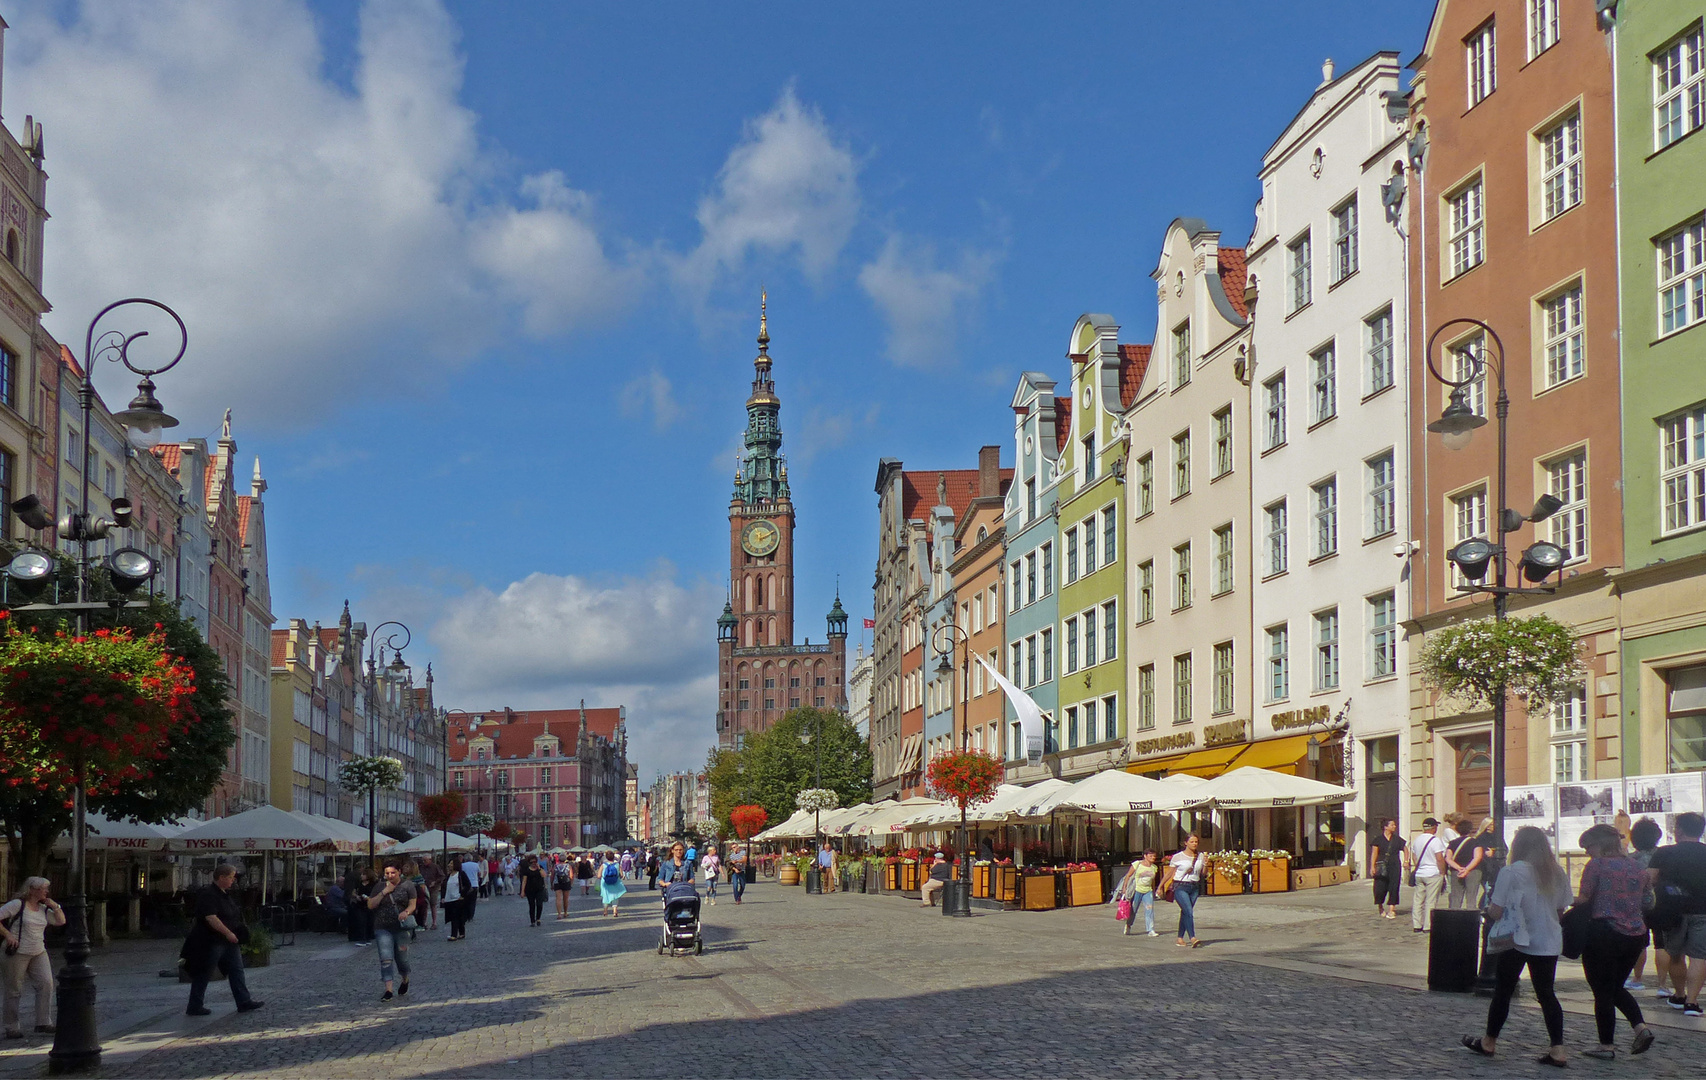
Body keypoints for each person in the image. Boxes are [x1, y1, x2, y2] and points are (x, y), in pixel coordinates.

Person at [1461, 825, 1570, 1066]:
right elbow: (1561, 910)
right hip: (1548, 939)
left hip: (1516, 940)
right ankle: (1558, 1049)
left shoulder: (1511, 872)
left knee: (1503, 991)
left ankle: (1489, 1041)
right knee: (1547, 994)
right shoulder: (1557, 872)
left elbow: (1496, 910)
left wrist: (1490, 912)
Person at [1574, 824, 1656, 1059]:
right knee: (1615, 987)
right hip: (1635, 935)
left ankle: (1606, 1046)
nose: (1588, 853)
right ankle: (1641, 1028)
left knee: (1601, 991)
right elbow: (1649, 902)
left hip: (1604, 933)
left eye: (1588, 847)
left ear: (1599, 844)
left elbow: (1584, 899)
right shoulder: (1638, 866)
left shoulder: (1597, 865)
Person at [183, 864, 263, 1017]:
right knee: (204, 972)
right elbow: (211, 918)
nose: (233, 880)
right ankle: (194, 1005)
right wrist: (228, 933)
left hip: (228, 941)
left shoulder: (224, 894)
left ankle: (244, 1001)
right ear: (221, 877)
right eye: (231, 877)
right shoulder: (208, 894)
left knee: (237, 970)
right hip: (211, 941)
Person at [1647, 809, 1706, 1016]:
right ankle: (1692, 1002)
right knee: (1700, 957)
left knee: (1675, 954)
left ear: (1678, 830)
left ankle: (1679, 995)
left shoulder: (1664, 852)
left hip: (1673, 911)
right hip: (1703, 911)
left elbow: (1650, 879)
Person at [2, 877, 65, 1037]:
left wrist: (55, 906)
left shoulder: (44, 909)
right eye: (43, 888)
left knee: (46, 983)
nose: (46, 891)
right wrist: (8, 935)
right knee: (14, 989)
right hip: (16, 951)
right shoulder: (18, 905)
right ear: (32, 890)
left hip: (38, 951)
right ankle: (12, 1026)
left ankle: (43, 1021)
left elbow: (60, 921)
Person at [1626, 817, 1669, 997]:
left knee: (1640, 943)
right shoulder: (1663, 855)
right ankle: (1662, 984)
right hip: (1661, 903)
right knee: (1661, 943)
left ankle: (1637, 978)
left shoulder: (1630, 859)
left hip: (1637, 905)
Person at [365, 864, 416, 1001]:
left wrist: (406, 912)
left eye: (393, 872)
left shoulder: (408, 885)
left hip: (401, 928)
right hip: (382, 927)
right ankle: (388, 990)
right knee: (386, 958)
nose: (390, 875)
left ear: (399, 872)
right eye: (387, 873)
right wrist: (384, 892)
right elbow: (370, 905)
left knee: (402, 959)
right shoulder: (379, 886)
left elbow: (413, 904)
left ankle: (405, 979)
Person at [1407, 817, 1449, 933]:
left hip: (1420, 873)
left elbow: (1414, 857)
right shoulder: (1435, 841)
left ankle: (1417, 924)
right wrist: (1442, 872)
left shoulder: (1417, 840)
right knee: (1430, 901)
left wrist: (1419, 867)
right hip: (1433, 873)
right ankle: (1428, 926)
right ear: (1433, 827)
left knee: (1418, 900)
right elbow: (1439, 858)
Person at [1166, 834, 1208, 948]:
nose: (1194, 844)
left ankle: (1180, 938)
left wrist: (1206, 864)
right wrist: (1160, 886)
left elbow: (1204, 873)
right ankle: (1192, 937)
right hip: (1181, 886)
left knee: (1185, 913)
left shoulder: (1200, 856)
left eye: (1196, 842)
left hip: (1194, 886)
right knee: (1188, 911)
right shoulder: (1178, 857)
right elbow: (1170, 872)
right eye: (1192, 841)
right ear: (1186, 843)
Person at [1447, 817, 1494, 910]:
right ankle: (1471, 921)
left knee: (1456, 898)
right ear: (1470, 829)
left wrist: (1459, 868)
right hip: (1473, 871)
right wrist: (1467, 869)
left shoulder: (1452, 843)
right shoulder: (1475, 842)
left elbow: (1448, 858)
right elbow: (1477, 857)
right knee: (1471, 899)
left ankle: (1454, 921)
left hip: (1456, 872)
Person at [1111, 851, 1159, 937]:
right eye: (1151, 856)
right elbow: (1128, 876)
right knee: (1133, 909)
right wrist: (1124, 888)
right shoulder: (1137, 864)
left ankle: (1150, 929)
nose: (1153, 858)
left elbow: (1152, 881)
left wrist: (1155, 890)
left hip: (1148, 891)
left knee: (1149, 910)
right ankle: (1128, 925)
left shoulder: (1154, 867)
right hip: (1137, 890)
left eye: (1154, 856)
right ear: (1145, 856)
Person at [1369, 818, 1405, 920]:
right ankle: (1380, 906)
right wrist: (1372, 866)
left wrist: (1406, 860)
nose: (1394, 826)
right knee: (1379, 888)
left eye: (1394, 825)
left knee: (1394, 887)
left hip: (1394, 865)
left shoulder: (1397, 839)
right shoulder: (1378, 840)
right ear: (1386, 827)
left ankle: (1391, 909)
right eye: (1392, 825)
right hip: (1382, 865)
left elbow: (1405, 849)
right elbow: (1374, 853)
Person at [442, 859, 474, 941]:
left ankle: (454, 935)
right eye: (450, 863)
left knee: (455, 917)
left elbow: (468, 885)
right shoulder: (448, 875)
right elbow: (444, 887)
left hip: (458, 899)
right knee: (457, 917)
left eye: (452, 863)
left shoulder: (461, 874)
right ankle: (462, 932)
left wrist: (462, 894)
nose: (450, 865)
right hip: (449, 899)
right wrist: (443, 897)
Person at [520, 855, 549, 926]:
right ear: (529, 862)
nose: (533, 863)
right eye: (532, 862)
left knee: (539, 904)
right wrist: (522, 891)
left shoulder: (540, 868)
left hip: (539, 889)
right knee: (531, 905)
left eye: (535, 861)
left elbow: (544, 875)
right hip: (530, 890)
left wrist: (539, 868)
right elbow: (524, 881)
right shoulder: (527, 870)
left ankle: (538, 918)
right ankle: (532, 921)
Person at [417, 857, 443, 931]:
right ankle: (423, 923)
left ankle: (434, 923)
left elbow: (442, 876)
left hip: (433, 888)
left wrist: (435, 882)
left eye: (425, 860)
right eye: (423, 860)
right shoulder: (421, 867)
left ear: (430, 860)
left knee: (433, 904)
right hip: (424, 888)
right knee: (424, 905)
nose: (424, 861)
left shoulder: (435, 867)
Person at [600, 851, 628, 916]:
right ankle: (615, 911)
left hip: (605, 883)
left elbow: (598, 875)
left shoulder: (603, 865)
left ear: (606, 857)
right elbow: (621, 875)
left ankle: (605, 911)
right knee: (615, 897)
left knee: (605, 896)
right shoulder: (617, 865)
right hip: (615, 882)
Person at [552, 854, 574, 919]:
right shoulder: (568, 866)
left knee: (558, 898)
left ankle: (559, 914)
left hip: (557, 882)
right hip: (566, 882)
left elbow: (552, 875)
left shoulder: (555, 866)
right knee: (565, 899)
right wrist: (571, 883)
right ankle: (565, 912)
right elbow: (571, 876)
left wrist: (551, 883)